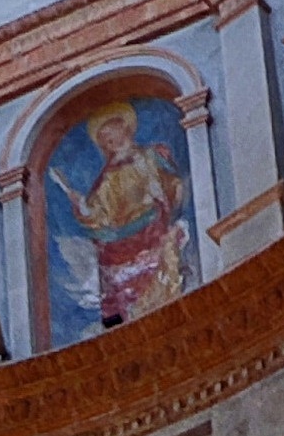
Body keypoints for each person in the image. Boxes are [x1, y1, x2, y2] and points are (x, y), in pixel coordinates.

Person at [55, 103, 192, 333]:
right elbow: (99, 216)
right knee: (109, 266)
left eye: (116, 135)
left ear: (127, 130)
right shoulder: (106, 179)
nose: (114, 143)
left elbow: (174, 184)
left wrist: (173, 196)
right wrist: (80, 206)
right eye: (107, 141)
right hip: (121, 239)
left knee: (161, 261)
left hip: (152, 226)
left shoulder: (151, 156)